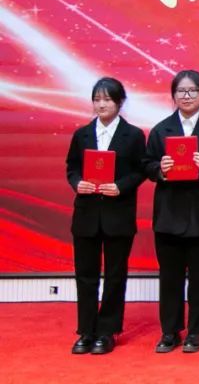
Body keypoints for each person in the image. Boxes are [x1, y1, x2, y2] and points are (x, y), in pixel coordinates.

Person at [143, 70, 199, 354]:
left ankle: (196, 330)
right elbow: (146, 164)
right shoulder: (161, 130)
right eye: (181, 91)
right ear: (173, 96)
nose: (186, 96)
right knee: (169, 277)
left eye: (193, 91)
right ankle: (170, 331)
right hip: (169, 214)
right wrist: (160, 170)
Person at [65, 77, 146, 355]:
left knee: (115, 275)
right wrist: (77, 183)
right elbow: (72, 167)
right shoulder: (82, 134)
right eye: (97, 99)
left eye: (108, 99)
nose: (101, 104)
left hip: (118, 214)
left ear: (120, 102)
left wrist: (120, 186)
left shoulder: (133, 135)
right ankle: (86, 331)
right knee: (85, 275)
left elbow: (141, 170)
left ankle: (107, 331)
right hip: (86, 215)